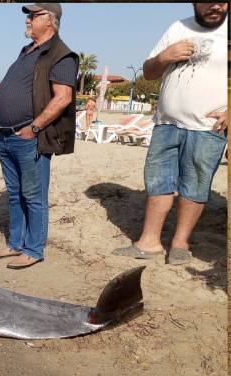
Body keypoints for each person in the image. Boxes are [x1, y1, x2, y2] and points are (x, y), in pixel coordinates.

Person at [112, 3, 227, 265]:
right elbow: (149, 72)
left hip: (208, 127)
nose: (217, 6)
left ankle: (180, 243)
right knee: (157, 182)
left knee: (195, 185)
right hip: (166, 123)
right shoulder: (178, 27)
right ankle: (149, 242)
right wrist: (165, 56)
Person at [0, 3, 78, 268]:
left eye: (33, 15)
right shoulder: (27, 51)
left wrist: (35, 127)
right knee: (15, 194)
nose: (27, 20)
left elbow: (63, 98)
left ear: (50, 20)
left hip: (29, 137)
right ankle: (16, 244)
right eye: (28, 15)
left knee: (34, 195)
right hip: (6, 136)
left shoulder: (61, 54)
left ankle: (34, 249)